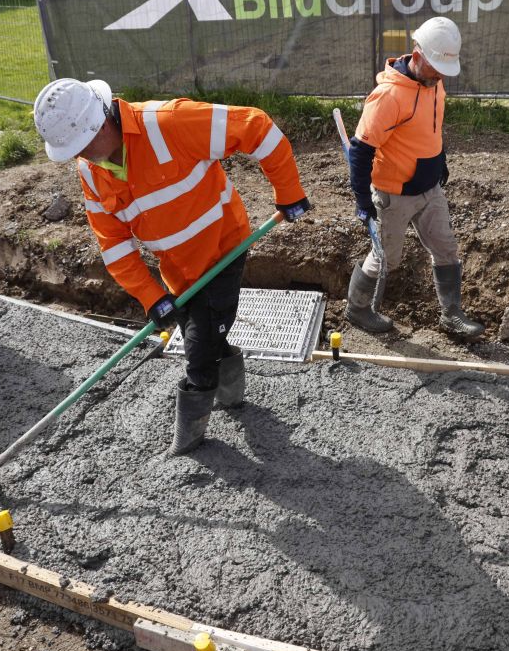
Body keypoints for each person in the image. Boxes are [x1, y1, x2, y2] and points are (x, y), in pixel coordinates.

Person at [33, 78, 310, 455]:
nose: (80, 155)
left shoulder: (169, 123)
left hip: (222, 249)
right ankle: (233, 397)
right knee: (207, 332)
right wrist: (151, 295)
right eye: (73, 150)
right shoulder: (91, 170)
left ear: (101, 121)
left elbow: (257, 127)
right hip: (177, 268)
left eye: (82, 145)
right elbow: (112, 243)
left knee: (198, 349)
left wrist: (289, 193)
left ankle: (188, 439)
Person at [344, 15, 483, 339]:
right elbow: (361, 150)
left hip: (429, 189)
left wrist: (440, 159)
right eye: (436, 70)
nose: (440, 78)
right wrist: (363, 200)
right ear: (418, 57)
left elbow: (431, 127)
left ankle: (451, 315)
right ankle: (358, 308)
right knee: (386, 259)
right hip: (394, 195)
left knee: (446, 248)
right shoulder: (388, 97)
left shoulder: (433, 81)